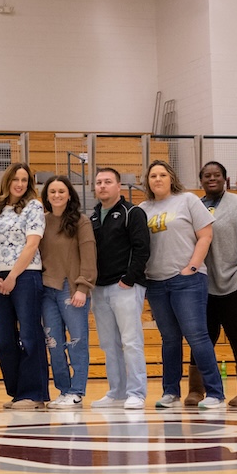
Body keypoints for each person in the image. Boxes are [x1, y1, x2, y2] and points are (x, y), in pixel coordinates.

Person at [138, 159, 224, 409]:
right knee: (169, 339)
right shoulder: (142, 209)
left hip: (187, 280)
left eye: (162, 174)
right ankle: (170, 392)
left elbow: (206, 235)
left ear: (171, 178)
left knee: (197, 336)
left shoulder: (187, 200)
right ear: (148, 181)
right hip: (156, 282)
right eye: (153, 175)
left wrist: (192, 267)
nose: (157, 179)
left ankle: (215, 393)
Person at [197, 162, 237, 408]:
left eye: (216, 175)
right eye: (207, 176)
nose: (211, 179)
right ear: (201, 180)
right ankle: (196, 390)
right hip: (203, 285)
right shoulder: (196, 205)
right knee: (202, 337)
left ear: (226, 179)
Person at [0, 163, 48, 409]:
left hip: (26, 275)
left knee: (30, 335)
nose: (19, 184)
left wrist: (12, 276)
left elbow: (32, 244)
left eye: (24, 180)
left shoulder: (34, 206)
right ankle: (17, 391)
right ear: (7, 181)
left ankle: (35, 394)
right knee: (5, 339)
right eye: (15, 179)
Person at [88, 167, 151, 409]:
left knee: (131, 341)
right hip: (99, 288)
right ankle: (117, 391)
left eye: (107, 182)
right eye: (98, 182)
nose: (102, 186)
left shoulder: (132, 212)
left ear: (118, 187)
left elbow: (142, 248)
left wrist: (129, 278)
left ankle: (136, 392)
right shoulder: (93, 217)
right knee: (108, 343)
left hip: (125, 286)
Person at [39, 176, 97, 409]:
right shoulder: (41, 221)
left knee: (77, 342)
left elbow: (89, 256)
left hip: (71, 289)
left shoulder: (81, 222)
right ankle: (63, 390)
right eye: (52, 191)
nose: (57, 195)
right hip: (46, 290)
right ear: (46, 196)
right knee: (54, 343)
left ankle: (77, 391)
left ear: (69, 194)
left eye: (61, 191)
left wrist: (82, 287)